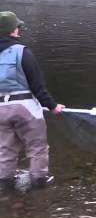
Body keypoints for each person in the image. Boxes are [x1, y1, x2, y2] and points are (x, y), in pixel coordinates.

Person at [0, 11, 65, 193]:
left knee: (5, 149)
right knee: (37, 148)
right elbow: (38, 86)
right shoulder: (22, 52)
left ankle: (6, 186)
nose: (19, 29)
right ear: (11, 30)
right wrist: (53, 106)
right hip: (25, 108)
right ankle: (39, 184)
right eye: (17, 26)